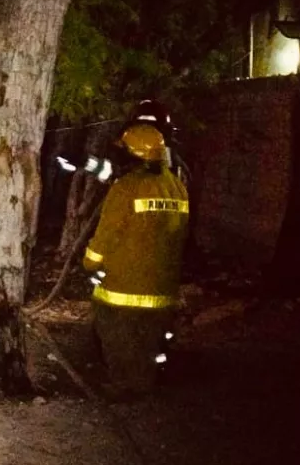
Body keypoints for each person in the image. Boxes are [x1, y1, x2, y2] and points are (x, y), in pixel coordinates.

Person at [83, 123, 190, 399]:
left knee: (116, 335)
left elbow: (106, 235)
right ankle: (146, 382)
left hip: (124, 288)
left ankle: (122, 385)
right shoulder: (177, 187)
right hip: (163, 289)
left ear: (134, 155)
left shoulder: (126, 188)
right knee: (149, 339)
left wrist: (90, 264)